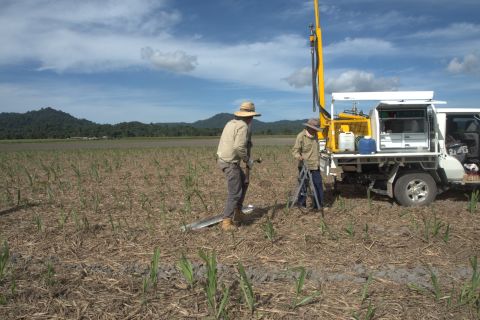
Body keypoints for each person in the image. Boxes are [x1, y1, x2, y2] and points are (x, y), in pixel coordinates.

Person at [217, 101, 261, 231]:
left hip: (223, 159)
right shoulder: (243, 126)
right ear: (251, 117)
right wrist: (248, 160)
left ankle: (237, 210)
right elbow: (238, 147)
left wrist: (247, 143)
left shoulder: (230, 123)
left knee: (243, 182)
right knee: (235, 192)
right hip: (230, 162)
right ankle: (227, 221)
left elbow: (234, 142)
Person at [291, 118, 325, 212]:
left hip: (315, 164)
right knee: (304, 185)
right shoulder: (301, 136)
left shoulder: (316, 136)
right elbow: (295, 151)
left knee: (318, 184)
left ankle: (318, 204)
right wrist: (299, 157)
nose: (315, 131)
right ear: (309, 127)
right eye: (314, 129)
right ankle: (302, 204)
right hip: (304, 165)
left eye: (316, 129)